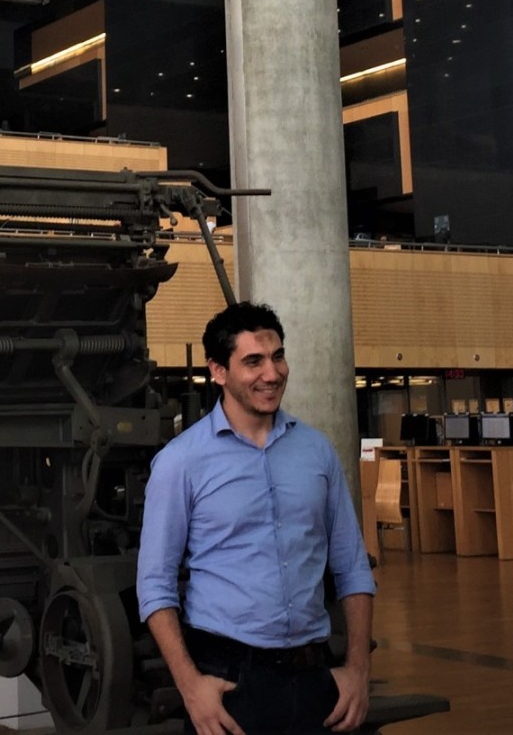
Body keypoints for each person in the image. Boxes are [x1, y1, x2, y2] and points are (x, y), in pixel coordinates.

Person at [137, 303, 376, 735]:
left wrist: (358, 669)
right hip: (228, 686)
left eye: (277, 356)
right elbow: (154, 585)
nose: (272, 373)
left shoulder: (317, 452)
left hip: (314, 678)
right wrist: (190, 687)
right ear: (218, 371)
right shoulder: (181, 462)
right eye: (253, 361)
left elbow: (352, 567)